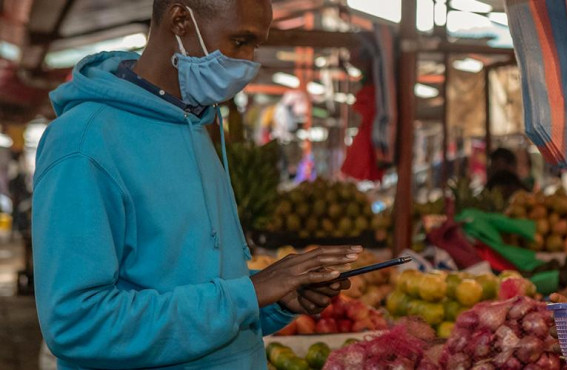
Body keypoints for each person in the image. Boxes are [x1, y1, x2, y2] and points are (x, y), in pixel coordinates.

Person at [33, 1, 359, 368]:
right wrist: (249, 292)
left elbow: (198, 287)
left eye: (257, 45)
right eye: (240, 40)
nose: (250, 60)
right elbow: (78, 324)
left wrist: (276, 300)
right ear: (180, 20)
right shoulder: (83, 142)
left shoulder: (194, 126)